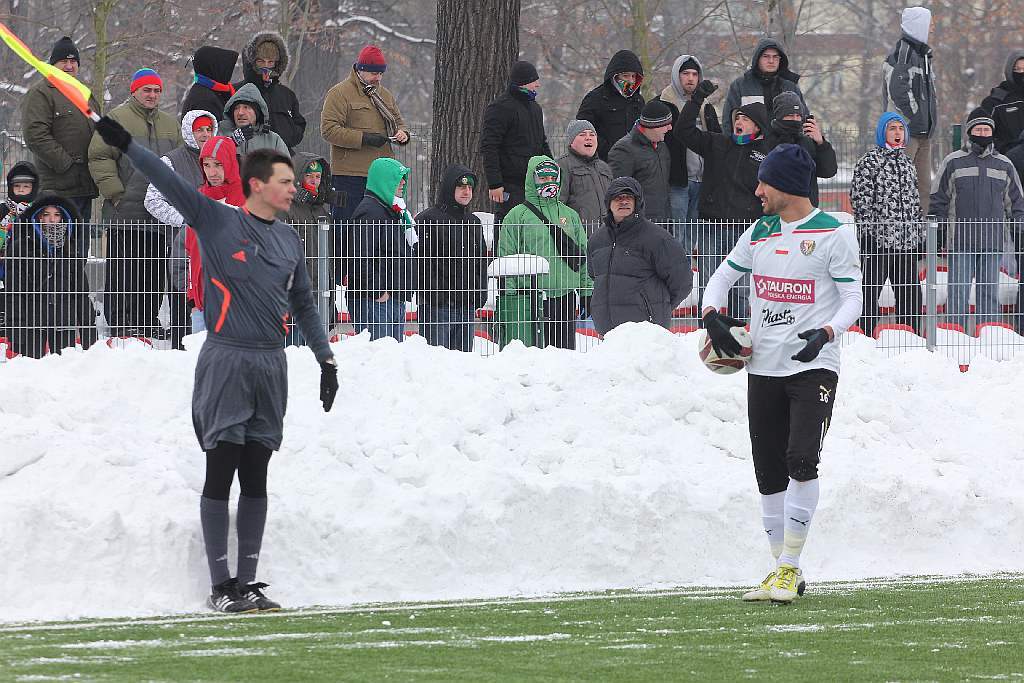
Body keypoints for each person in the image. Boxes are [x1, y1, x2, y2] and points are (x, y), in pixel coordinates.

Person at [93, 114, 339, 614]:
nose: (295, 188)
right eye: (286, 181)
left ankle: (247, 582)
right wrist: (126, 146)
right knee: (221, 469)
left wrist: (325, 358)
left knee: (257, 473)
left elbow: (307, 306)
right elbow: (169, 182)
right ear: (258, 185)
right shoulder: (218, 219)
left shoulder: (290, 240)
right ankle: (220, 584)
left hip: (271, 366)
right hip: (226, 359)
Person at [701, 144, 862, 604]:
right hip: (762, 364)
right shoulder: (759, 232)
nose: (756, 191)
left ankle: (789, 566)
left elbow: (854, 298)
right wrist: (712, 314)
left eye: (763, 183)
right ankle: (780, 570)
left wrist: (828, 332)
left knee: (800, 459)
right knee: (768, 472)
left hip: (813, 364)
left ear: (787, 185)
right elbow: (720, 278)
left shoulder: (833, 233)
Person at [88, 67, 182, 338]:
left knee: (153, 272)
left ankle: (147, 319)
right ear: (134, 91)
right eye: (147, 90)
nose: (152, 95)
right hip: (125, 211)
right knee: (123, 270)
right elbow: (99, 157)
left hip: (158, 214)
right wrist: (116, 193)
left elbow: (178, 160)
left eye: (156, 90)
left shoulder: (169, 123)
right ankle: (120, 322)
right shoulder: (117, 118)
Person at [677, 80, 771, 319]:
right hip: (712, 227)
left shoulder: (768, 154)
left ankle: (739, 335)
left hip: (745, 230)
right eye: (736, 118)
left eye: (745, 119)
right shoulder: (718, 143)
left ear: (758, 127)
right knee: (709, 286)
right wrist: (696, 99)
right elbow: (683, 131)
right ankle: (706, 334)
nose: (738, 122)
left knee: (740, 288)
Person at [930, 109, 1024, 332]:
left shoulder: (1004, 164)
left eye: (986, 129)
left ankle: (988, 336)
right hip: (961, 241)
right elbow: (939, 197)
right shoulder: (953, 162)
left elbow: (1016, 200)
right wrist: (938, 229)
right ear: (969, 132)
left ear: (992, 132)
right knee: (958, 292)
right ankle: (955, 336)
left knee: (989, 292)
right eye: (978, 129)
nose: (982, 133)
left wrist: (1019, 225)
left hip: (992, 242)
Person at [498, 156, 592, 350]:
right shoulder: (517, 216)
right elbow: (506, 257)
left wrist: (586, 291)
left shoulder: (570, 215)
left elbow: (583, 255)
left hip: (565, 296)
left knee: (564, 356)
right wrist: (510, 295)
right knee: (535, 356)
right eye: (543, 178)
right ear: (532, 180)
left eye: (552, 178)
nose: (549, 183)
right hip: (530, 297)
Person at [144, 110, 218, 349]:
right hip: (182, 248)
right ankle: (179, 353)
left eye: (208, 129)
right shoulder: (171, 161)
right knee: (182, 304)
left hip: (218, 248)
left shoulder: (222, 158)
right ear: (188, 131)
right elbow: (152, 200)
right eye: (199, 130)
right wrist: (186, 221)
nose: (205, 135)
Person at [587, 176, 692, 335]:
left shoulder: (658, 238)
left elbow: (682, 281)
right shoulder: (597, 240)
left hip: (646, 334)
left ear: (638, 202)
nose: (623, 201)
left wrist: (659, 307)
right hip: (607, 332)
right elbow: (595, 276)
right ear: (608, 203)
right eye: (618, 197)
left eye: (629, 197)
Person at [849, 112, 923, 335]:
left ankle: (910, 338)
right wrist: (868, 235)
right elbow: (860, 201)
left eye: (900, 128)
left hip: (906, 243)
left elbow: (915, 202)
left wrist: (918, 235)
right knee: (870, 294)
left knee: (911, 296)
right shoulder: (869, 161)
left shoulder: (908, 164)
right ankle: (864, 340)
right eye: (892, 128)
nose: (897, 133)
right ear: (883, 133)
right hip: (879, 242)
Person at [321, 45, 410, 224]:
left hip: (381, 176)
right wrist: (364, 138)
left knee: (380, 227)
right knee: (347, 227)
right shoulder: (340, 93)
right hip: (349, 175)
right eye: (373, 73)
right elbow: (329, 130)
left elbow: (399, 122)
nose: (378, 78)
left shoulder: (384, 95)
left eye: (380, 74)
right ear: (360, 70)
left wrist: (403, 134)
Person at [3, 192, 97, 358]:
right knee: (32, 371)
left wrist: (88, 332)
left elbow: (81, 294)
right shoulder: (21, 248)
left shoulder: (70, 249)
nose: (52, 219)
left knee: (64, 371)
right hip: (32, 322)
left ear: (64, 217)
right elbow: (15, 293)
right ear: (38, 217)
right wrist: (16, 330)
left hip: (64, 321)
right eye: (46, 214)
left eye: (57, 214)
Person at [22, 36, 99, 221]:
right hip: (56, 188)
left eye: (73, 61)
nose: (69, 66)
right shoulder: (41, 93)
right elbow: (35, 136)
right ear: (53, 64)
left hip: (84, 186)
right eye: (63, 61)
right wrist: (66, 165)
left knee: (80, 246)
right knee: (56, 246)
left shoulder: (84, 94)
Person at [414, 165, 488, 351]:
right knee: (437, 365)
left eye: (470, 187)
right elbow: (422, 263)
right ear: (449, 188)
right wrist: (435, 296)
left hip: (466, 305)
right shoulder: (428, 219)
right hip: (438, 307)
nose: (467, 191)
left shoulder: (473, 221)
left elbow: (480, 262)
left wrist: (480, 293)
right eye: (461, 187)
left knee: (463, 365)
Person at [655, 53, 722, 251]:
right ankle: (675, 277)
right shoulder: (662, 103)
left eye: (695, 74)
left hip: (702, 180)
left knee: (692, 235)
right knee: (675, 233)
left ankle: (686, 277)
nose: (691, 78)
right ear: (676, 75)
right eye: (685, 73)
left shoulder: (707, 107)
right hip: (677, 181)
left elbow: (717, 140)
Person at [346, 157, 417, 342]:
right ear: (384, 180)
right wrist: (378, 291)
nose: (403, 183)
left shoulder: (390, 211)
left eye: (403, 178)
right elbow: (360, 257)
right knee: (378, 360)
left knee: (390, 363)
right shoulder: (371, 212)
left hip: (391, 297)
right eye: (398, 178)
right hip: (375, 300)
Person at [184, 136, 247, 341]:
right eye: (207, 165)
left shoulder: (247, 200)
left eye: (218, 165)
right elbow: (191, 252)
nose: (212, 172)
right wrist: (193, 298)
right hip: (203, 304)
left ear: (229, 163)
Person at [480, 60, 552, 228]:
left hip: (535, 182)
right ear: (524, 81)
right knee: (508, 225)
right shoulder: (500, 107)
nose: (538, 85)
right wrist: (495, 183)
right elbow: (490, 146)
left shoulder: (535, 108)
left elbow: (542, 143)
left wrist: (551, 168)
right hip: (510, 184)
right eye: (534, 80)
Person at [284, 154, 343, 343]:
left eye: (318, 176)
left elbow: (330, 255)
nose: (314, 181)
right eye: (309, 176)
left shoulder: (322, 211)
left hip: (321, 295)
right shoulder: (284, 208)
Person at [883, 6, 937, 214]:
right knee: (899, 185)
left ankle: (923, 236)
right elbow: (898, 91)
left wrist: (928, 123)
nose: (933, 28)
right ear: (919, 25)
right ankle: (898, 233)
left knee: (924, 187)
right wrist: (915, 119)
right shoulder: (904, 52)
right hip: (905, 132)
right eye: (930, 23)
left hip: (923, 133)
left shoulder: (923, 55)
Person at [234, 32, 305, 150]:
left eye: (270, 62)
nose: (266, 66)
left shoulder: (287, 95)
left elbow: (299, 124)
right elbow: (225, 125)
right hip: (249, 158)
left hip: (283, 157)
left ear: (277, 64)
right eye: (261, 61)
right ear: (252, 63)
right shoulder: (237, 91)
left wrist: (290, 138)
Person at [765, 92, 837, 207]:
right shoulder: (767, 141)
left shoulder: (807, 142)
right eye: (790, 115)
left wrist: (821, 143)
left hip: (806, 210)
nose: (795, 119)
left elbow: (828, 171)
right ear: (779, 116)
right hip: (777, 209)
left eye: (798, 116)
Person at [607, 100, 674, 223]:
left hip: (663, 219)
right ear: (653, 126)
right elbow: (617, 191)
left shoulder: (662, 147)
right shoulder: (624, 150)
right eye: (666, 124)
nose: (670, 128)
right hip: (639, 223)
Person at [576, 50, 645, 162]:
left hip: (634, 162)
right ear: (615, 76)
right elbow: (582, 129)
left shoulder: (638, 101)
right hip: (603, 162)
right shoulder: (596, 98)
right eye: (626, 76)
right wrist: (608, 150)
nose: (631, 80)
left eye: (634, 76)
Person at [722, 38, 805, 129]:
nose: (771, 61)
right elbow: (728, 122)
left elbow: (804, 120)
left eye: (775, 57)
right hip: (750, 142)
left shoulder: (790, 87)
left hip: (786, 142)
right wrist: (731, 142)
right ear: (757, 58)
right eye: (766, 56)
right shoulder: (740, 86)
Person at [0, 162, 40, 336]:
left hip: (31, 260)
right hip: (5, 260)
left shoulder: (38, 210)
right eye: (17, 186)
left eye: (26, 186)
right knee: (7, 288)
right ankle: (4, 318)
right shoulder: (3, 209)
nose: (22, 190)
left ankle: (30, 320)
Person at [556, 119, 613, 233]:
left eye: (592, 134)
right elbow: (558, 204)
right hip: (578, 235)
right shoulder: (562, 165)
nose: (588, 138)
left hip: (607, 235)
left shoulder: (604, 168)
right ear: (571, 141)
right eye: (582, 134)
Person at [219, 84, 290, 157]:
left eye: (246, 107)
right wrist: (231, 142)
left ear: (257, 112)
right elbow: (209, 160)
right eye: (236, 108)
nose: (240, 112)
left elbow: (285, 167)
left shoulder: (273, 140)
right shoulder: (219, 134)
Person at [981, 51, 1024, 154]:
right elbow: (983, 136)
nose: (1022, 73)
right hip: (1007, 163)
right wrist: (1008, 152)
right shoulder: (995, 102)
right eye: (1017, 69)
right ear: (1009, 71)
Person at [180, 45, 239, 119]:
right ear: (215, 69)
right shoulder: (205, 101)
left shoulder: (209, 91)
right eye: (226, 69)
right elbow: (217, 129)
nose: (229, 73)